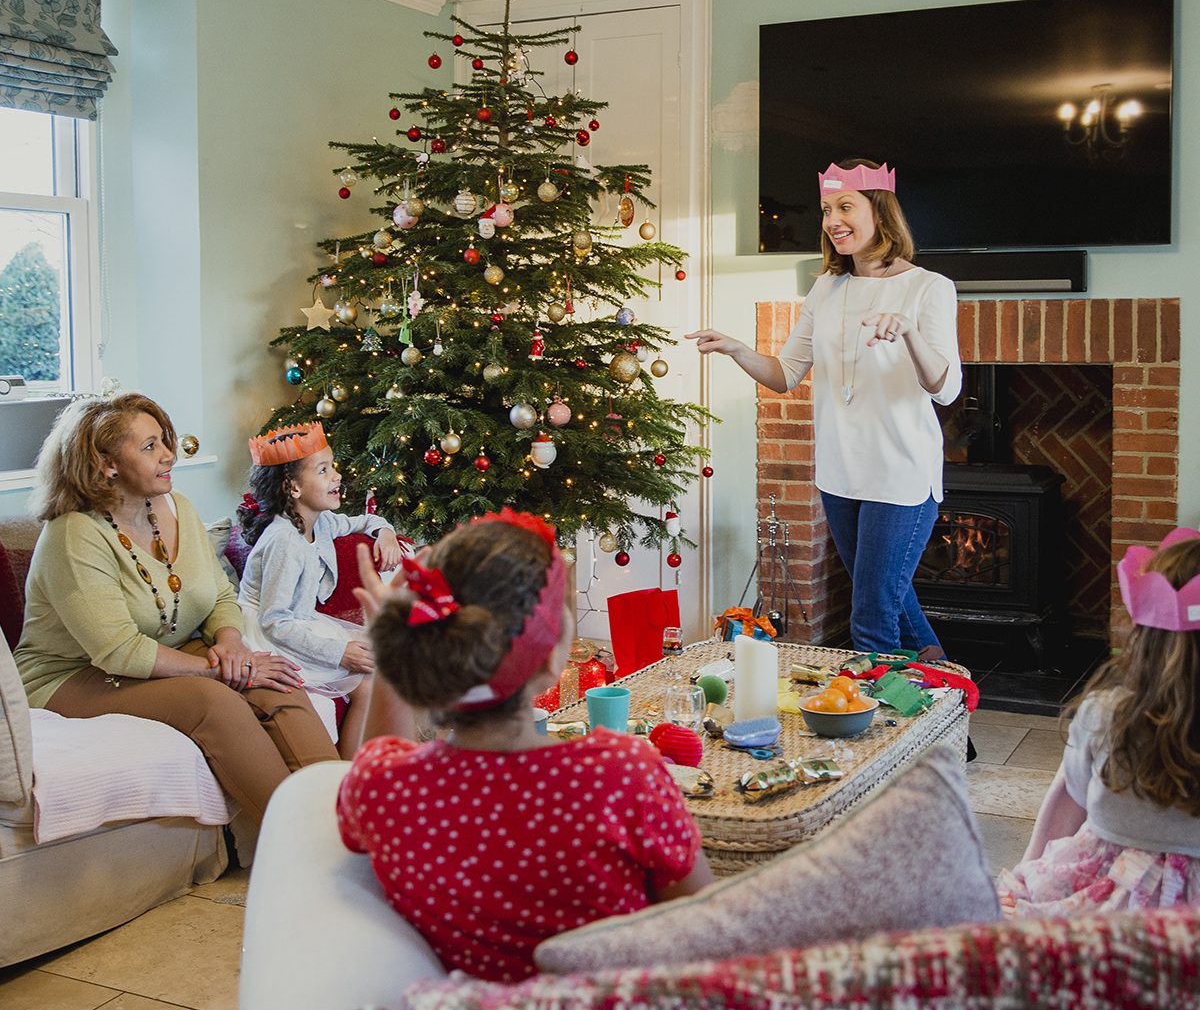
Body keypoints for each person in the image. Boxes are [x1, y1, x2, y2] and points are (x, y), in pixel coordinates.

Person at [336, 509, 712, 982]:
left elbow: (381, 755)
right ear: (553, 660)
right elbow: (701, 928)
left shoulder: (383, 788)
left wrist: (391, 654)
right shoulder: (622, 774)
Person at [14, 393, 338, 824]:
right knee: (213, 701)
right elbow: (119, 651)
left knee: (278, 681)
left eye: (165, 441)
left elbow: (219, 595)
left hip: (165, 650)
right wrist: (219, 671)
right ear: (107, 463)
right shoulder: (73, 535)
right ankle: (306, 838)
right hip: (70, 675)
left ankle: (349, 821)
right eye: (150, 446)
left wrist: (232, 644)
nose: (169, 454)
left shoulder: (177, 507)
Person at [687, 158, 961, 656]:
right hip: (840, 475)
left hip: (901, 475)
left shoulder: (928, 288)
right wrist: (738, 350)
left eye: (845, 207)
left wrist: (909, 332)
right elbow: (785, 374)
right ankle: (946, 696)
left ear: (880, 211)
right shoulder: (827, 288)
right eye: (826, 209)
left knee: (872, 617)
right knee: (895, 603)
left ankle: (871, 706)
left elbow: (945, 388)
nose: (833, 220)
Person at [997, 529, 1200, 916]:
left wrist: (1027, 870)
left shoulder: (1104, 714)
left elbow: (1071, 796)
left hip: (1109, 905)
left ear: (1146, 636)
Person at [236, 421, 404, 759]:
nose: (337, 476)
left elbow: (363, 521)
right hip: (268, 634)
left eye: (333, 466)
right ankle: (347, 773)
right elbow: (275, 621)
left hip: (300, 622)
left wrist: (385, 532)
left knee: (385, 662)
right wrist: (338, 653)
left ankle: (378, 763)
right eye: (323, 470)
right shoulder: (284, 541)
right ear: (294, 488)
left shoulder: (321, 521)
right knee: (368, 682)